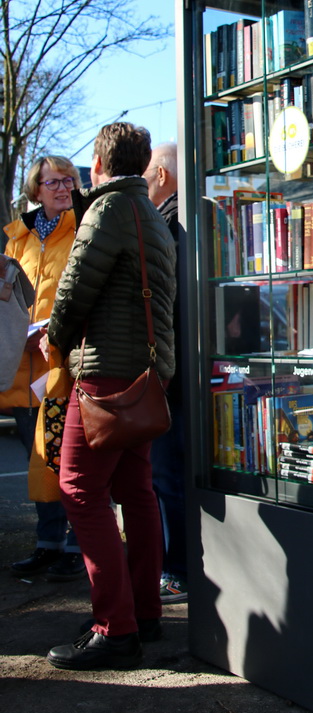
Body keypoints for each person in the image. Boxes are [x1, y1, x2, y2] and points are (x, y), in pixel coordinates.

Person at [45, 123, 176, 671]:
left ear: (98, 161)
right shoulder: (148, 211)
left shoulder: (107, 210)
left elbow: (74, 291)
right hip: (144, 377)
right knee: (135, 489)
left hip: (103, 377)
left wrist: (53, 339)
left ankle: (115, 628)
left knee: (79, 490)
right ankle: (143, 612)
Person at [2, 156, 85, 582]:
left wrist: (52, 331)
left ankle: (76, 545)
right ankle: (47, 543)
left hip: (59, 363)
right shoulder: (17, 236)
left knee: (68, 456)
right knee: (38, 456)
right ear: (37, 188)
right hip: (22, 365)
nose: (62, 188)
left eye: (68, 180)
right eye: (53, 181)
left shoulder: (82, 228)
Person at [143, 141, 188, 604]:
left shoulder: (166, 225)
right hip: (189, 361)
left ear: (160, 175)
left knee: (165, 472)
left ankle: (177, 570)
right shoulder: (193, 216)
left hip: (168, 367)